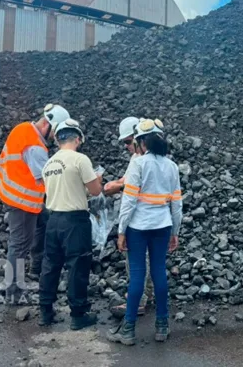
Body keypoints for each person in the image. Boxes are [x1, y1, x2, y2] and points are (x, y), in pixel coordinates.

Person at [106, 119, 182, 346]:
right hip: (163, 226)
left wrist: (121, 231)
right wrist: (175, 231)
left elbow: (128, 201)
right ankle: (162, 326)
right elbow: (176, 205)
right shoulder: (172, 166)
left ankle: (128, 330)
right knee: (159, 272)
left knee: (138, 276)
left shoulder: (138, 165)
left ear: (140, 142)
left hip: (138, 228)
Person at [0, 103, 70, 302]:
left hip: (12, 189)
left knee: (43, 222)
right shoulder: (36, 148)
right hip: (22, 201)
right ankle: (14, 292)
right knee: (19, 244)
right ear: (47, 125)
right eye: (56, 132)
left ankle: (36, 267)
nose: (55, 137)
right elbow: (46, 178)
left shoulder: (23, 128)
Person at [38, 119, 103, 330]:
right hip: (75, 221)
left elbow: (59, 191)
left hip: (53, 219)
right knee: (78, 266)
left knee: (50, 266)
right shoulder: (80, 160)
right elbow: (95, 191)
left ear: (57, 139)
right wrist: (99, 179)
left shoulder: (49, 164)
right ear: (78, 138)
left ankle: (45, 312)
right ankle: (78, 314)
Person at [104, 117, 154, 318]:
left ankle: (137, 302)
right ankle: (147, 295)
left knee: (136, 260)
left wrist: (122, 229)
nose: (126, 146)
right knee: (148, 258)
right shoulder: (154, 158)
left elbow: (128, 191)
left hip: (138, 218)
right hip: (153, 218)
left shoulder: (140, 161)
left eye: (127, 141)